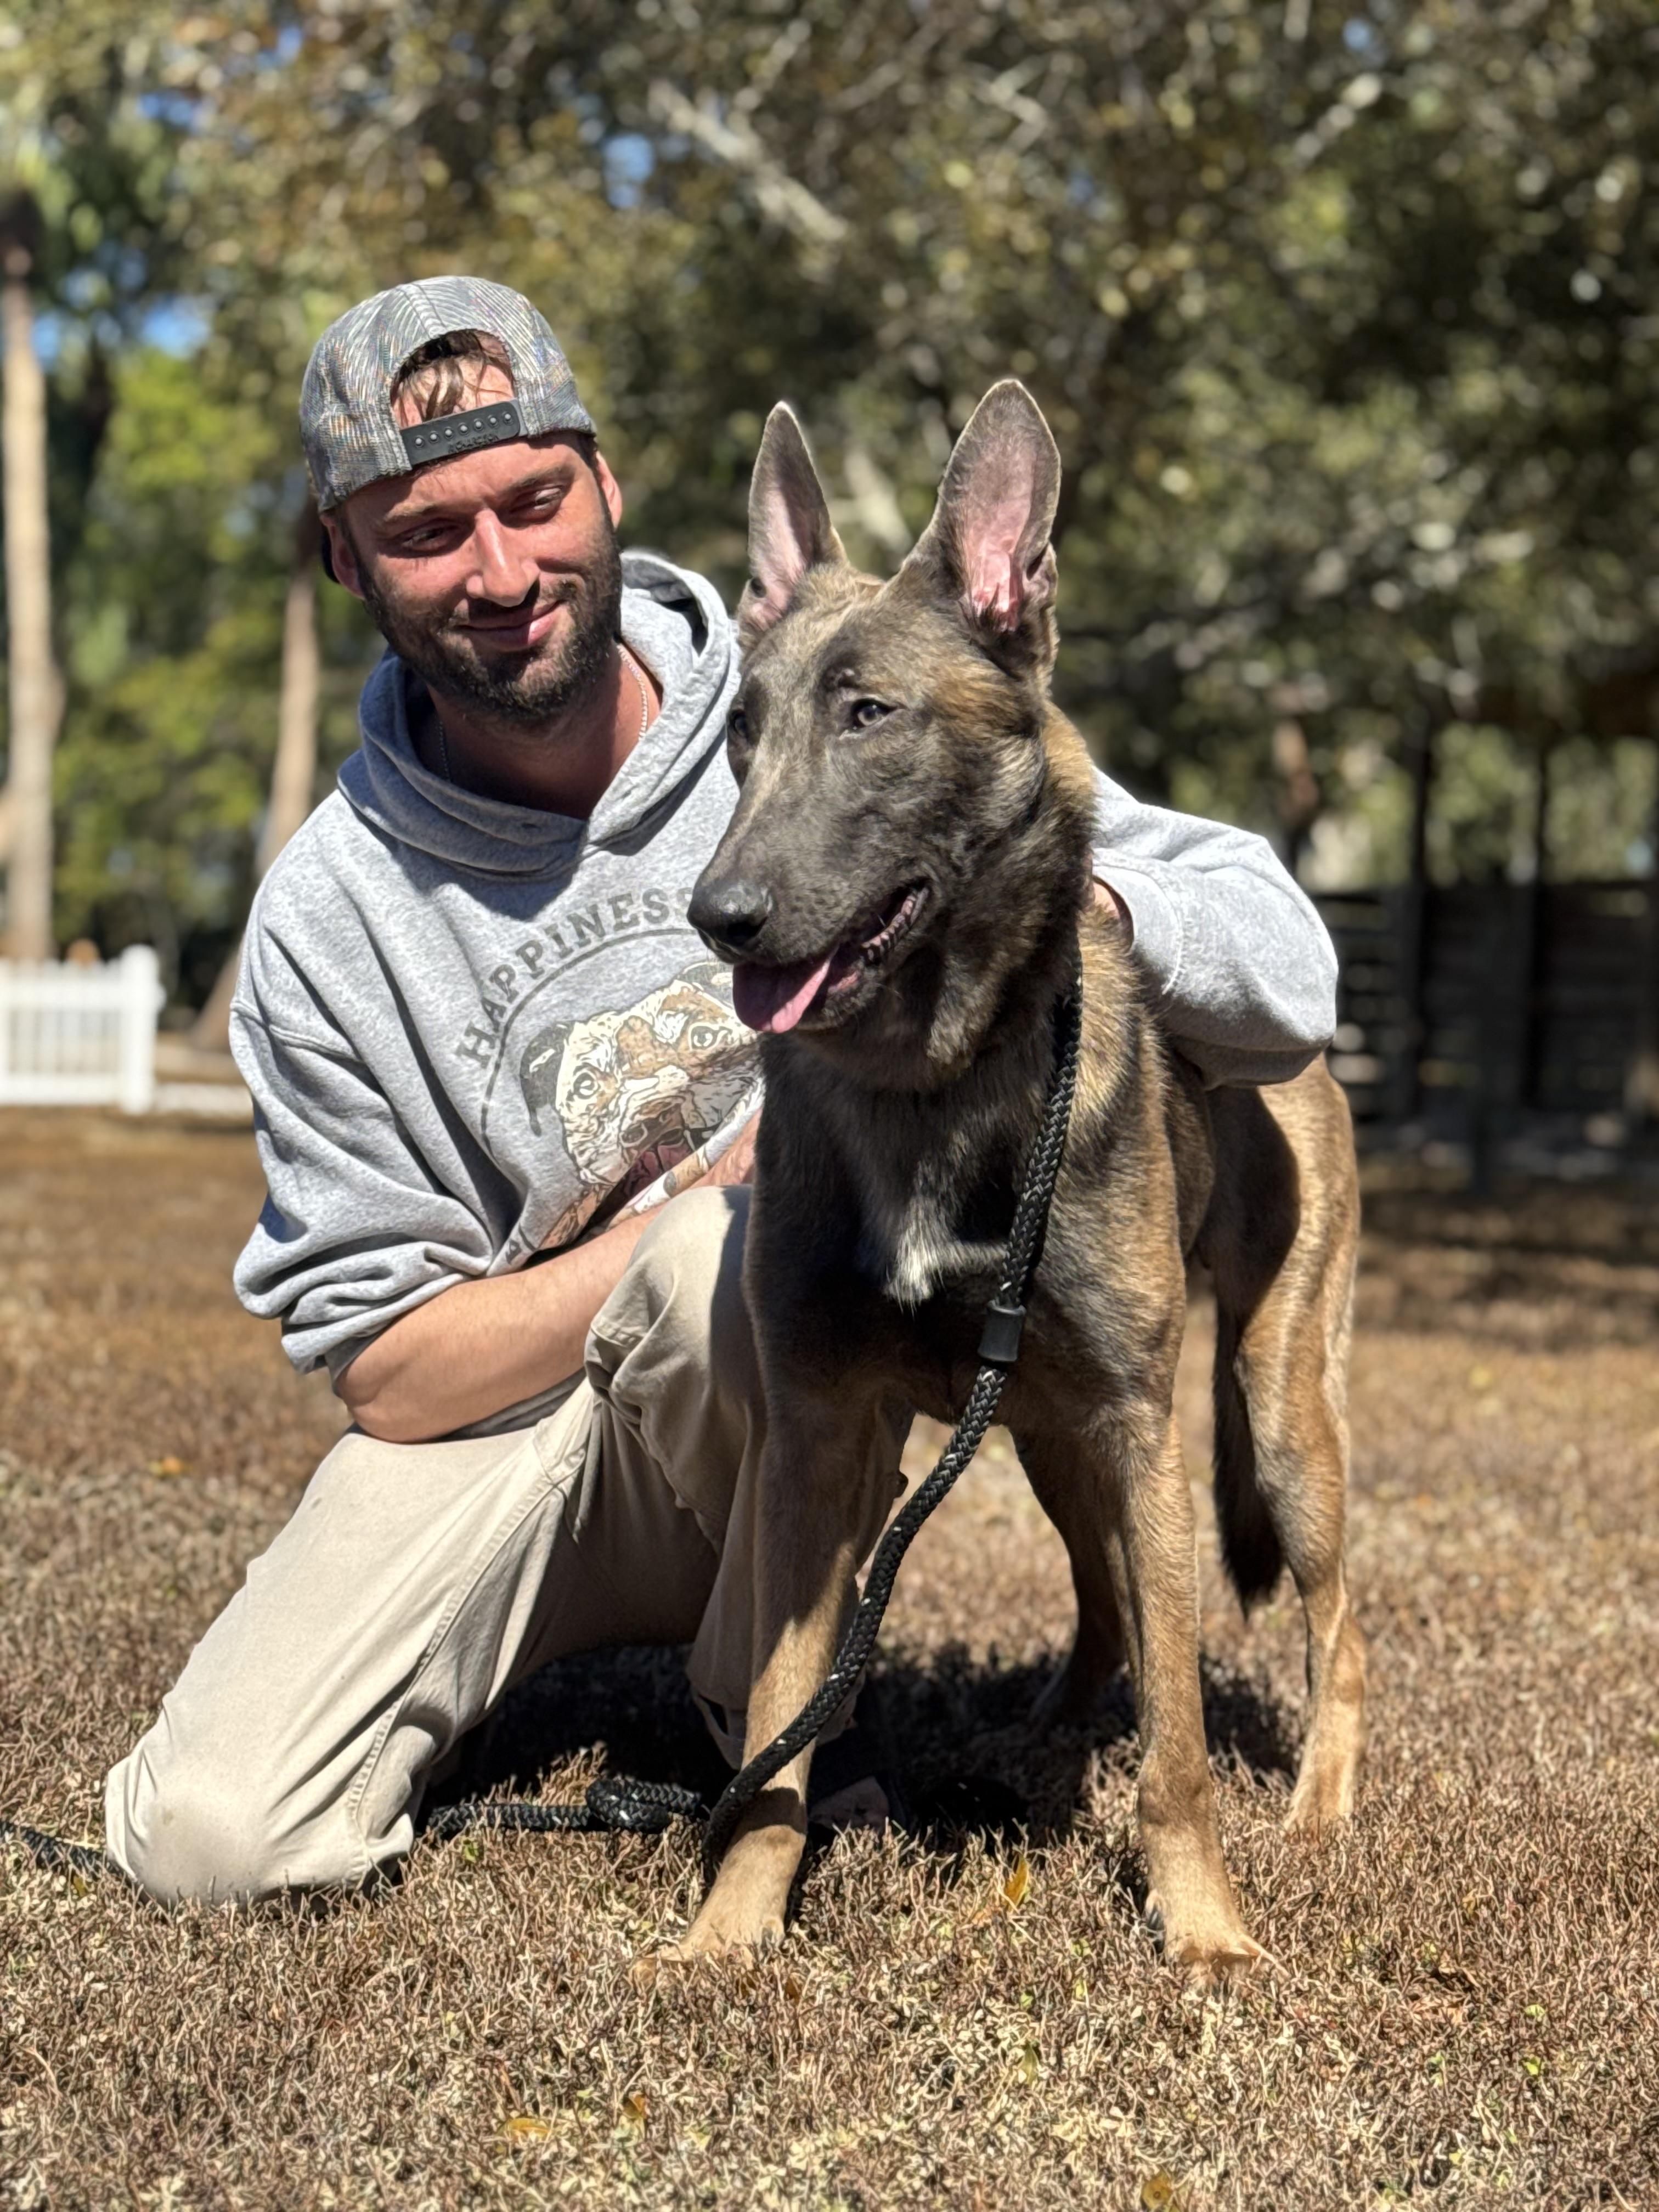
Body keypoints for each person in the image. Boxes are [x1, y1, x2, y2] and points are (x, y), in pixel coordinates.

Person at [104, 276, 1339, 1903]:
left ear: (607, 489)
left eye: (535, 501)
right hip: (510, 1440)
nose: (500, 571)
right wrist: (716, 1204)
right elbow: (390, 1372)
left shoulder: (846, 694)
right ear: (345, 561)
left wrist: (1063, 911)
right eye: (427, 532)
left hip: (761, 1401)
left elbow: (1285, 968)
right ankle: (659, 1676)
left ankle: (771, 1742)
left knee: (723, 1282)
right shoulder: (328, 919)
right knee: (211, 1844)